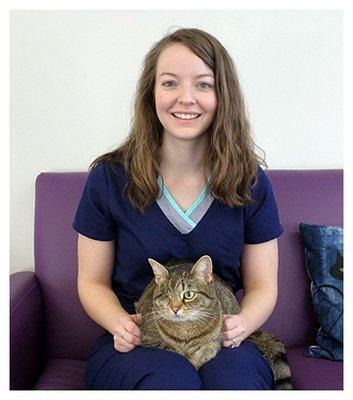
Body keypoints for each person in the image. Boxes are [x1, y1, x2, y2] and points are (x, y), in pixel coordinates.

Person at [72, 27, 284, 390]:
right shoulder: (109, 178)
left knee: (236, 383)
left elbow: (263, 285)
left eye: (203, 84)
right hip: (139, 337)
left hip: (218, 333)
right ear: (150, 93)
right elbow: (91, 282)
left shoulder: (250, 181)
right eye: (170, 83)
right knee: (170, 382)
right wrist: (119, 324)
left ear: (223, 96)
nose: (186, 98)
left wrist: (243, 323)